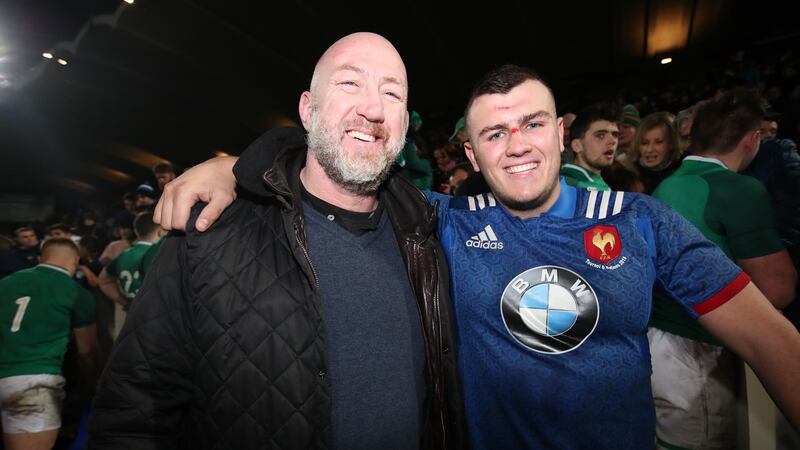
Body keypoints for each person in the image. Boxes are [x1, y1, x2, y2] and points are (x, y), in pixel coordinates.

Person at [154, 66, 800, 448]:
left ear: (561, 132)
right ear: (471, 154)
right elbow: (340, 159)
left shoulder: (640, 221)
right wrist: (233, 166)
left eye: (533, 124)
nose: (517, 145)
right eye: (495, 132)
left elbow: (773, 342)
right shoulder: (445, 221)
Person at [88, 32, 464, 450]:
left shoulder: (428, 237)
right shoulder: (211, 231)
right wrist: (236, 170)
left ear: (404, 124)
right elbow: (134, 412)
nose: (373, 108)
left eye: (391, 93)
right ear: (307, 109)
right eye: (350, 83)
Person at [650, 89, 797, 449]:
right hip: (700, 350)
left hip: (660, 343)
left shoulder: (666, 184)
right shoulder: (738, 189)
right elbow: (778, 289)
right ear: (752, 139)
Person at [0, 238, 97, 450]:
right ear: (76, 262)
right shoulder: (76, 292)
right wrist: (90, 384)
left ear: (40, 259)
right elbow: (86, 350)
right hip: (34, 382)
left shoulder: (6, 282)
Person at [560, 102, 620, 190]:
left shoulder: (600, 183)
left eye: (615, 135)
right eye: (600, 136)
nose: (612, 141)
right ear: (577, 146)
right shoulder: (566, 184)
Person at [628, 112, 682, 194]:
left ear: (672, 143)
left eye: (658, 142)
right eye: (644, 143)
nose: (649, 150)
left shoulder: (683, 174)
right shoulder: (629, 177)